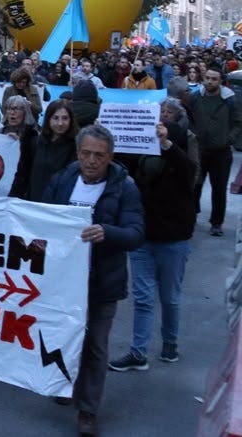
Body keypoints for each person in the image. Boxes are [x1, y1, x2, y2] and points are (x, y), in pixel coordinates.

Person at [42, 125, 144, 437]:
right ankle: (64, 384)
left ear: (110, 157)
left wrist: (107, 232)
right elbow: (42, 215)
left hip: (103, 281)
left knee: (97, 346)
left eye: (99, 155)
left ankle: (88, 409)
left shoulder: (125, 187)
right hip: (65, 281)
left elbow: (136, 233)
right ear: (77, 153)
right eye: (86, 154)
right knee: (63, 336)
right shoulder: (63, 179)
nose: (91, 161)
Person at [108, 117, 196, 372]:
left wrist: (166, 143)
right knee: (143, 298)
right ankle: (139, 353)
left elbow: (189, 170)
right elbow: (120, 161)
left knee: (169, 298)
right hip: (143, 239)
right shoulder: (142, 163)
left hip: (173, 241)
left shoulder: (180, 164)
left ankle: (170, 343)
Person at [188, 68, 242, 236]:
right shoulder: (195, 97)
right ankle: (191, 217)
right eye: (208, 78)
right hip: (200, 150)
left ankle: (216, 223)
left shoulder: (230, 100)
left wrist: (229, 139)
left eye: (214, 79)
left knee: (218, 189)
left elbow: (238, 122)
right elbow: (189, 119)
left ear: (220, 81)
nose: (210, 81)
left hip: (221, 152)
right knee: (195, 185)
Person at [26, 99, 80, 202]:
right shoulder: (35, 143)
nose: (60, 123)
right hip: (34, 204)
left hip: (60, 207)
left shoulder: (77, 146)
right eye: (56, 118)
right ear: (48, 119)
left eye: (65, 118)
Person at [0, 95, 39, 198]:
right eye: (9, 109)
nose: (12, 112)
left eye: (16, 109)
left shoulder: (35, 136)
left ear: (25, 112)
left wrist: (21, 145)